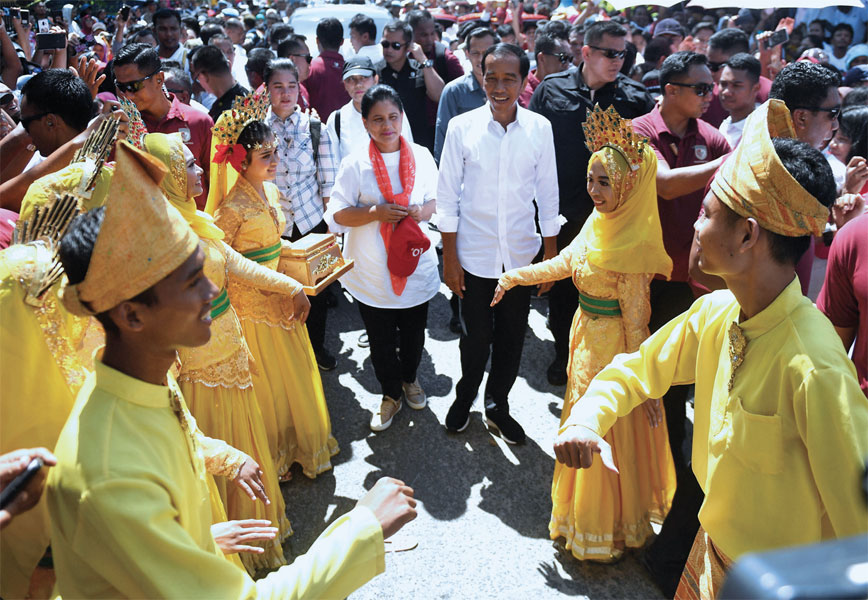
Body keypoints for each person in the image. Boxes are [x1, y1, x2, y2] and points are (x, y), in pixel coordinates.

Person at [47, 141, 417, 599]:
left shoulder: (141, 380)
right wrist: (362, 529)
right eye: (189, 281)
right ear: (132, 315)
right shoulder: (109, 475)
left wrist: (198, 537)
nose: (210, 292)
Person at [554, 101, 868, 600]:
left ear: (747, 235)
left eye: (704, 213)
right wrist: (585, 419)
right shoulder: (718, 310)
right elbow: (636, 371)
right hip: (708, 555)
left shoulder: (817, 367)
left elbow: (859, 530)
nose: (694, 229)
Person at [493, 105, 676, 561]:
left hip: (613, 353)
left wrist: (647, 388)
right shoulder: (598, 224)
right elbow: (565, 262)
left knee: (603, 431)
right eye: (592, 180)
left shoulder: (632, 247)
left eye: (605, 183)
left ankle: (605, 529)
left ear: (629, 187)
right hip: (582, 339)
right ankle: (582, 518)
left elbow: (637, 326)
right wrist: (515, 275)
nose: (594, 191)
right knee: (581, 425)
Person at [143, 131, 301, 571]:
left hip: (231, 350)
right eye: (188, 166)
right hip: (199, 365)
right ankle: (235, 554)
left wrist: (291, 285)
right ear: (167, 176)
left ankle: (259, 535)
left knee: (246, 444)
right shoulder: (159, 235)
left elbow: (234, 263)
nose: (200, 171)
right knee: (224, 450)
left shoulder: (192, 221)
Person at [209, 91, 339, 482]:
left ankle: (297, 448)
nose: (275, 162)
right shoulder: (229, 209)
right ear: (240, 161)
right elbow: (227, 263)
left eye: (275, 153)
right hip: (251, 311)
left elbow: (271, 243)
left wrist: (311, 257)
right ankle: (274, 456)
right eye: (266, 156)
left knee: (291, 381)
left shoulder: (269, 192)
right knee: (267, 387)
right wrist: (284, 283)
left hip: (281, 300)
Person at [439, 43, 559, 444]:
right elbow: (447, 198)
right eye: (492, 77)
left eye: (510, 78)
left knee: (511, 337)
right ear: (481, 77)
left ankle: (497, 405)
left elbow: (548, 193)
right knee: (475, 339)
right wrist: (450, 258)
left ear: (525, 80)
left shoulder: (540, 129)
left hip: (521, 258)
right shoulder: (462, 128)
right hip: (473, 257)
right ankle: (465, 397)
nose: (499, 86)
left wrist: (551, 254)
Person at [529, 20, 654, 387]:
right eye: (611, 53)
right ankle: (564, 356)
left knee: (609, 296)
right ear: (586, 52)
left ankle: (608, 364)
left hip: (614, 220)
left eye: (624, 54)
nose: (619, 60)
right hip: (564, 215)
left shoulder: (635, 98)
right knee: (565, 290)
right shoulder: (552, 90)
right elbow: (532, 151)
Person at [325, 84, 439, 432]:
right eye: (377, 119)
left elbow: (439, 202)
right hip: (372, 272)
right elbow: (337, 215)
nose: (386, 125)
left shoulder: (420, 155)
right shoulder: (355, 163)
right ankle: (390, 395)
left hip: (413, 265)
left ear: (402, 118)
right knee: (380, 341)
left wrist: (420, 211)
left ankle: (410, 380)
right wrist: (374, 212)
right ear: (365, 123)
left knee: (414, 336)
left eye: (392, 117)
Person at [264, 58, 338, 370]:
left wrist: (331, 232)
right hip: (272, 227)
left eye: (291, 86)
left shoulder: (316, 128)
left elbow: (328, 182)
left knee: (317, 294)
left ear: (300, 88)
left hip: (311, 224)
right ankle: (286, 354)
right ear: (266, 90)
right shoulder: (255, 128)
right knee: (278, 293)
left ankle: (316, 347)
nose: (285, 93)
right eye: (277, 87)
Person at [114, 43, 213, 209]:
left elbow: (215, 184)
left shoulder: (199, 122)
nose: (127, 95)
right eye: (121, 87)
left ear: (159, 79)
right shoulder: (121, 128)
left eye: (134, 86)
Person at [326, 56, 414, 163]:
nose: (358, 84)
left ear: (375, 79)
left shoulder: (393, 112)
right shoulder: (337, 119)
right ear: (345, 84)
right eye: (351, 79)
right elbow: (333, 165)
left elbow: (409, 151)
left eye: (364, 77)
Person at [433, 27, 499, 163]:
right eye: (475, 53)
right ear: (467, 53)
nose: (481, 59)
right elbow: (443, 138)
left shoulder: (507, 89)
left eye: (486, 52)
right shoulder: (453, 91)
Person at [379, 19, 447, 152]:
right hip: (386, 144)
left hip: (418, 142)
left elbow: (439, 95)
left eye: (396, 45)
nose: (389, 50)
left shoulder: (420, 68)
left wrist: (423, 60)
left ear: (408, 46)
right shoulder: (375, 72)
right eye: (385, 44)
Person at [306, 18, 350, 120]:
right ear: (342, 42)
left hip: (316, 130)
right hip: (345, 130)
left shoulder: (309, 68)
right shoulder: (351, 70)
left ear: (317, 40)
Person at [191, 46, 250, 123]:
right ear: (229, 66)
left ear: (203, 77)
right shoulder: (246, 95)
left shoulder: (228, 113)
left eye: (197, 78)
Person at [717, 53, 761, 148]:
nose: (726, 92)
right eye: (723, 84)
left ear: (756, 89)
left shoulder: (762, 129)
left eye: (736, 85)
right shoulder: (726, 125)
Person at [276, 35, 313, 111]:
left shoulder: (302, 89)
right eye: (308, 58)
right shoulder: (271, 93)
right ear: (292, 59)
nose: (310, 64)